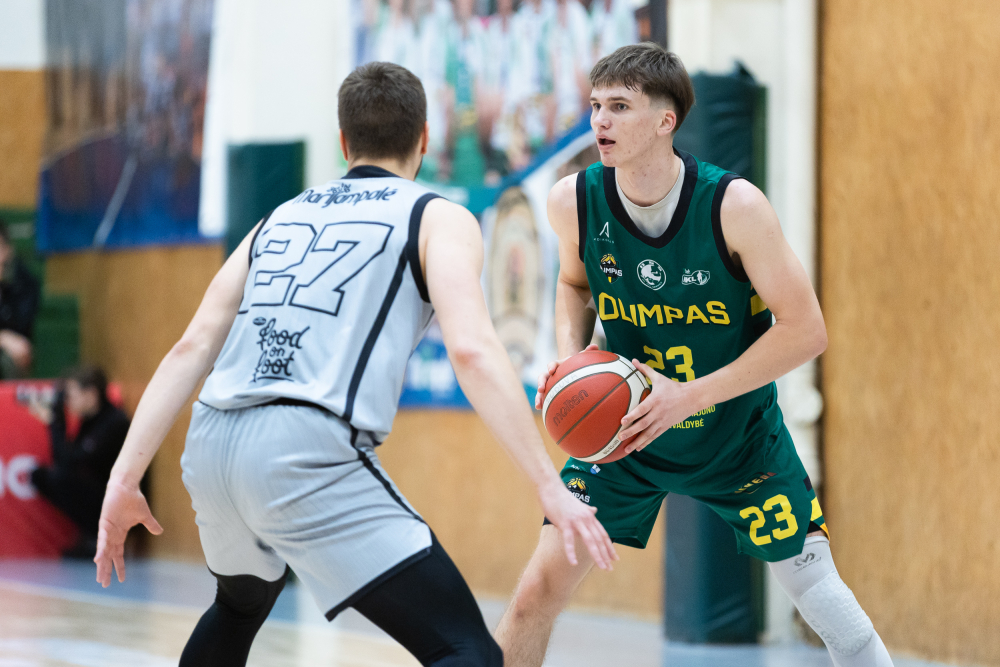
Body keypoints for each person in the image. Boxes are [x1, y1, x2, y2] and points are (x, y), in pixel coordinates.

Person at [94, 62, 616, 667]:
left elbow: (192, 347)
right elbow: (472, 351)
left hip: (211, 443)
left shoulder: (277, 218)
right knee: (467, 651)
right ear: (425, 138)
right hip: (303, 448)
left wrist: (123, 479)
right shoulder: (437, 216)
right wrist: (549, 487)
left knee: (240, 604)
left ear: (344, 142)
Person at [495, 43, 894, 667]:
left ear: (666, 120)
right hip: (624, 440)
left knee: (831, 612)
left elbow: (805, 331)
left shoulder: (736, 207)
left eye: (619, 106)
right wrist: (573, 360)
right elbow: (574, 283)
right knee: (531, 600)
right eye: (595, 106)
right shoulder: (573, 200)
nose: (600, 121)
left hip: (737, 442)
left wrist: (686, 397)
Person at [30, 366, 131, 557]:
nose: (68, 402)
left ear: (91, 394)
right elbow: (64, 461)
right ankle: (93, 534)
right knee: (41, 477)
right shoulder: (89, 421)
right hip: (103, 493)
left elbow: (71, 463)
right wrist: (56, 421)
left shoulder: (114, 422)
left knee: (61, 479)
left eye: (71, 395)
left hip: (122, 502)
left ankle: (103, 537)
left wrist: (57, 422)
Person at [0, 219, 40, 379]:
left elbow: (20, 327)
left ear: (8, 250)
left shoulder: (24, 282)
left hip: (9, 350)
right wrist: (2, 337)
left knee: (15, 355)